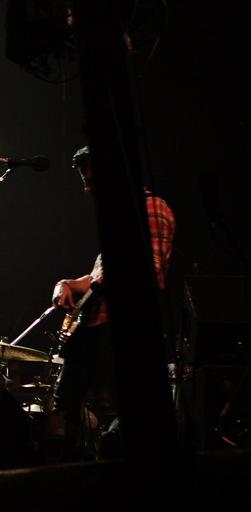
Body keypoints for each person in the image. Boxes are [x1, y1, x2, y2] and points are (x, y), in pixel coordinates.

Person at [48, 146, 174, 450]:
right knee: (63, 407)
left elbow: (151, 272)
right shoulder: (119, 219)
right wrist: (66, 284)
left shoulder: (149, 207)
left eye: (91, 180)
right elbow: (97, 279)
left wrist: (99, 283)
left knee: (117, 412)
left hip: (120, 328)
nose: (87, 189)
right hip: (92, 327)